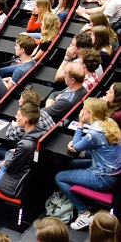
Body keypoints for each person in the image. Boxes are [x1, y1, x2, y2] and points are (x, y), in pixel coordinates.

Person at [55, 98, 121, 230]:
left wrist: (80, 124)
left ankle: (84, 213)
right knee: (73, 163)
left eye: (84, 109)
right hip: (113, 174)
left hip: (102, 178)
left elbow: (76, 146)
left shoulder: (94, 134)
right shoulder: (110, 123)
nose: (82, 111)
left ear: (90, 113)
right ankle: (77, 199)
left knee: (59, 177)